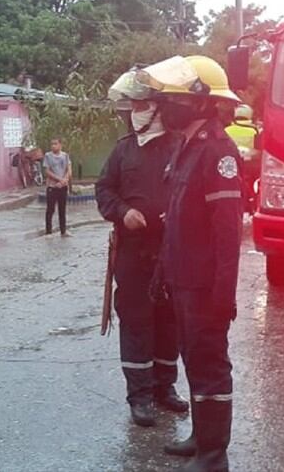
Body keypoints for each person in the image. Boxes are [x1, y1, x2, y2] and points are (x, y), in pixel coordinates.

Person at [144, 55, 243, 471]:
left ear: (201, 101)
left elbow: (227, 231)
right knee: (192, 359)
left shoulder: (217, 150)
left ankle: (214, 454)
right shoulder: (185, 147)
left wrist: (224, 292)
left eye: (173, 98)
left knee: (210, 364)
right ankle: (201, 438)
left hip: (205, 285)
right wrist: (162, 271)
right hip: (184, 279)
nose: (163, 106)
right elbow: (178, 221)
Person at [96, 68, 189, 428]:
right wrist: (124, 211)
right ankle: (140, 397)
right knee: (136, 323)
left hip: (171, 252)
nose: (135, 110)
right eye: (132, 104)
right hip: (133, 254)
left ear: (158, 108)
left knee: (169, 324)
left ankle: (165, 389)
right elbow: (104, 190)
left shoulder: (180, 146)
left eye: (142, 104)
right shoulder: (122, 151)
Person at [43, 138, 72, 236]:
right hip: (52, 186)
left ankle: (63, 231)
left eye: (55, 144)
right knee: (50, 210)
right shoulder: (48, 156)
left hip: (63, 187)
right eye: (52, 144)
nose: (53, 146)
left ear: (60, 145)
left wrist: (64, 180)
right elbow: (47, 171)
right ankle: (48, 232)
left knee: (62, 209)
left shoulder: (65, 156)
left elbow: (69, 170)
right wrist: (59, 179)